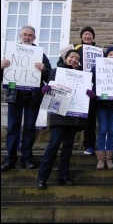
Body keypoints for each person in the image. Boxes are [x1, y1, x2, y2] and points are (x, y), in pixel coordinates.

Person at [36, 49, 95, 189]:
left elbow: (89, 96)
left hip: (74, 116)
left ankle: (63, 175)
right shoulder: (56, 71)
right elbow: (48, 90)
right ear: (66, 58)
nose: (74, 60)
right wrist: (45, 89)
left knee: (68, 146)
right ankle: (42, 177)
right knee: (54, 144)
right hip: (59, 114)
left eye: (76, 58)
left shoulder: (83, 76)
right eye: (71, 57)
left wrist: (91, 95)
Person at [0, 25, 52, 171]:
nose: (27, 37)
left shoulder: (40, 54)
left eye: (30, 35)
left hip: (32, 98)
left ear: (34, 38)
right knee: (12, 128)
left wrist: (44, 69)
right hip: (14, 96)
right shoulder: (10, 53)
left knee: (29, 128)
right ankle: (10, 159)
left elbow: (50, 77)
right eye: (25, 35)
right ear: (20, 36)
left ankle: (27, 159)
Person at [57, 26, 99, 155]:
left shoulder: (99, 51)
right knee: (70, 117)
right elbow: (60, 65)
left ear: (93, 37)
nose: (87, 36)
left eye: (90, 34)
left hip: (90, 88)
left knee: (90, 119)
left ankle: (89, 146)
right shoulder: (73, 49)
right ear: (81, 36)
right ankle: (65, 144)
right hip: (75, 87)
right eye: (85, 34)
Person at [92, 46, 113, 169]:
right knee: (102, 130)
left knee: (112, 130)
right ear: (106, 56)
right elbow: (91, 82)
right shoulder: (97, 68)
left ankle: (109, 159)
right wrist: (93, 93)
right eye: (110, 54)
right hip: (101, 104)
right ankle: (100, 159)